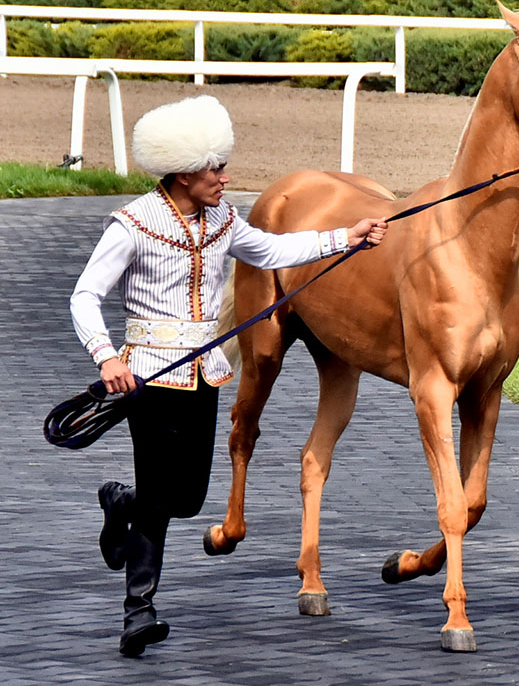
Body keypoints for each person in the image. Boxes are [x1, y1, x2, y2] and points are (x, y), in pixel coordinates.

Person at [70, 95, 387, 657]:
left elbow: (273, 250)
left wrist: (348, 237)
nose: (225, 178)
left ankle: (122, 501)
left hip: (203, 374)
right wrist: (106, 357)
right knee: (162, 498)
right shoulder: (132, 225)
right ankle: (138, 611)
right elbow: (85, 295)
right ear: (183, 173)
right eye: (215, 169)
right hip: (147, 378)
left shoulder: (222, 221)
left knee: (188, 498)